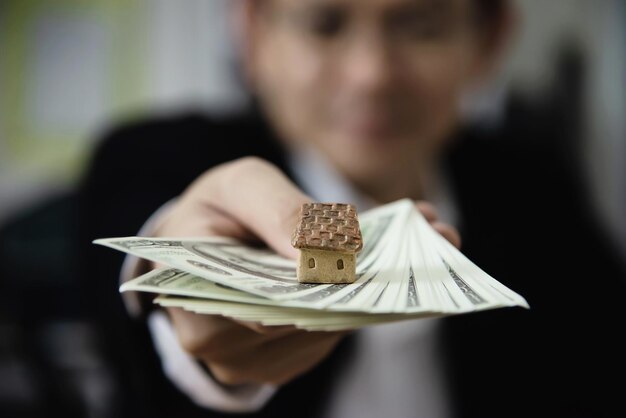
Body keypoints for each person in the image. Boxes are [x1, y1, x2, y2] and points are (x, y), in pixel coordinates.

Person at [76, 0, 626, 417]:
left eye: (420, 25)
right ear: (252, 31)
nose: (372, 75)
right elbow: (151, 230)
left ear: (489, 40)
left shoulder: (532, 186)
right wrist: (188, 289)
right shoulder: (153, 155)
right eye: (324, 24)